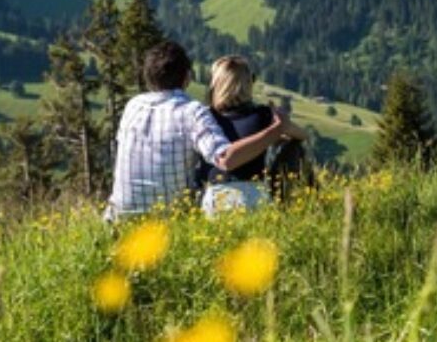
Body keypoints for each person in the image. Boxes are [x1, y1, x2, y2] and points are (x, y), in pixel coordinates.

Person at [105, 42, 304, 220]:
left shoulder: (133, 105)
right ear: (187, 77)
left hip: (120, 215)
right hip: (169, 217)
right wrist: (277, 129)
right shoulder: (192, 112)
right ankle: (296, 209)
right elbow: (226, 159)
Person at [198, 55, 293, 214]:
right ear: (247, 84)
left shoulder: (205, 117)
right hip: (253, 194)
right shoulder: (263, 114)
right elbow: (302, 134)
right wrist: (280, 123)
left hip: (215, 196)